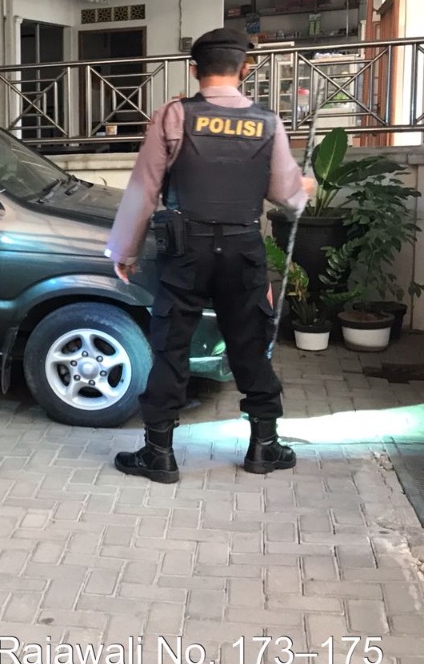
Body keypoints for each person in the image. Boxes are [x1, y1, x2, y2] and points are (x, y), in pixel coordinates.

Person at [104, 28, 316, 483]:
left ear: (194, 69)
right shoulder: (268, 122)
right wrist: (305, 189)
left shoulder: (173, 116)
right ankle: (264, 447)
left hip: (186, 249)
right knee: (248, 344)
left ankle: (158, 454)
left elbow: (144, 190)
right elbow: (287, 195)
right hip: (243, 251)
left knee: (171, 346)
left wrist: (125, 251)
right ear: (245, 69)